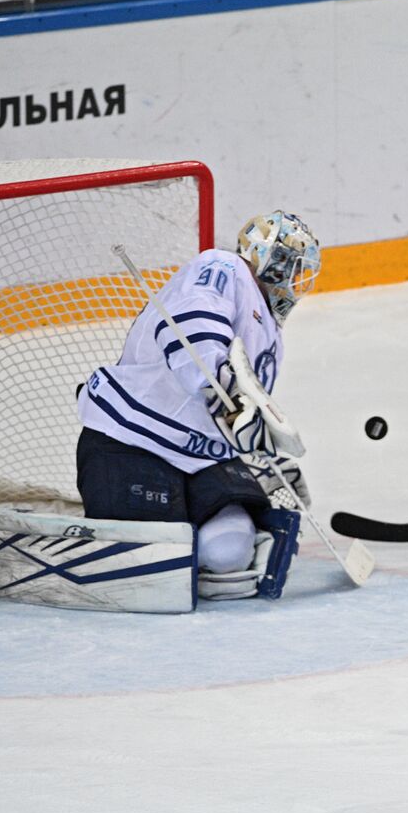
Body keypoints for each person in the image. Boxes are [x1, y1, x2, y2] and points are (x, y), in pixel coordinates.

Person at [75, 211, 321, 601]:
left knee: (228, 555)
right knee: (148, 560)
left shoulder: (271, 332)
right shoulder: (223, 267)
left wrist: (260, 452)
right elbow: (193, 325)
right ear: (264, 255)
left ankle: (192, 535)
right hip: (133, 440)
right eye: (288, 263)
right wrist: (220, 388)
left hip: (199, 460)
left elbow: (235, 412)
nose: (293, 277)